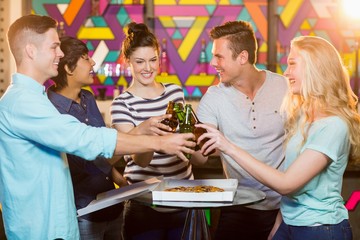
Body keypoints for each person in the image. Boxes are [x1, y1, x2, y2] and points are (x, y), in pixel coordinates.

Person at [0, 14, 195, 240]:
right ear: (31, 51)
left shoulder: (38, 99)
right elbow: (85, 139)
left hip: (59, 227)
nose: (61, 53)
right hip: (41, 231)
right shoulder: (21, 103)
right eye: (54, 46)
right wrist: (160, 141)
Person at [197, 35, 358, 240]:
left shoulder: (333, 125)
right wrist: (280, 223)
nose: (286, 72)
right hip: (290, 223)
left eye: (292, 64)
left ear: (315, 67)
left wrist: (228, 147)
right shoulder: (302, 115)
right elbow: (291, 182)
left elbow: (287, 183)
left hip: (320, 228)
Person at [191, 20, 288, 239]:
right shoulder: (214, 97)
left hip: (284, 207)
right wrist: (187, 142)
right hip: (237, 206)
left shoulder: (284, 87)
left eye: (219, 56)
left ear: (242, 57)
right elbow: (202, 158)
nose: (213, 63)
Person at [110, 22, 192, 240]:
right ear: (128, 62)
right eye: (140, 61)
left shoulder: (174, 92)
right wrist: (148, 130)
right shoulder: (121, 104)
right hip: (144, 204)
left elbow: (186, 142)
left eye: (153, 60)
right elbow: (140, 160)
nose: (148, 67)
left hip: (183, 197)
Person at [48, 36, 127, 240]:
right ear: (69, 68)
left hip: (112, 207)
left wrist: (120, 179)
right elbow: (86, 163)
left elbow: (99, 152)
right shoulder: (50, 110)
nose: (93, 63)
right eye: (85, 58)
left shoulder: (88, 98)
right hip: (84, 214)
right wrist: (138, 137)